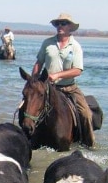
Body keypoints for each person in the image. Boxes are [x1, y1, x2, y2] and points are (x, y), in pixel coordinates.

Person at [32, 12, 94, 147]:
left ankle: (89, 144)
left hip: (69, 88)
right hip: (47, 87)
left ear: (70, 27)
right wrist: (33, 81)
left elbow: (77, 70)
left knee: (85, 114)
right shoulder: (47, 43)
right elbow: (39, 63)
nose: (60, 26)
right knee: (27, 107)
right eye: (58, 23)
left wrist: (57, 75)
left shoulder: (75, 46)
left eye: (63, 23)